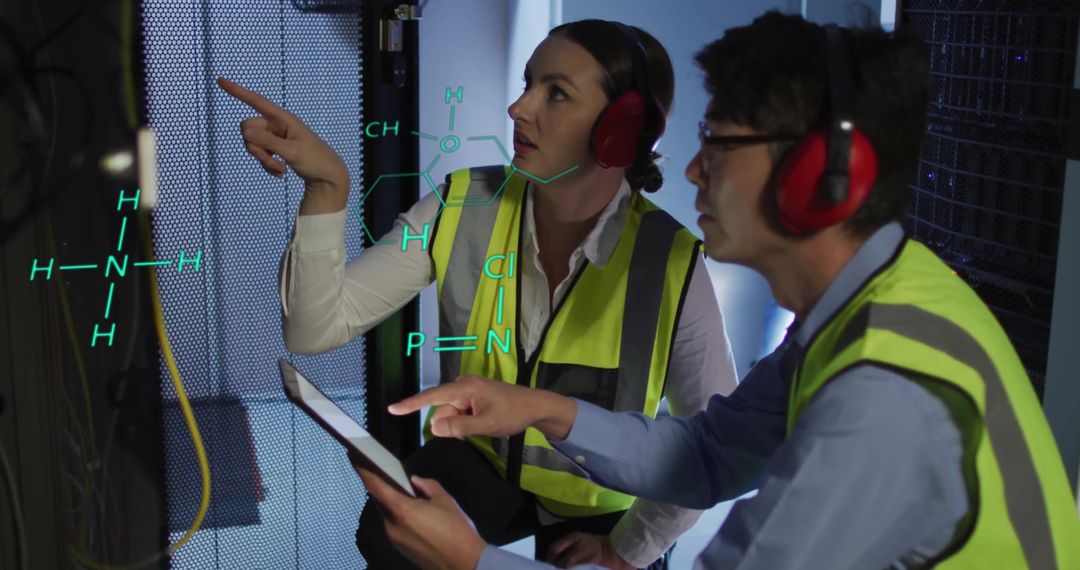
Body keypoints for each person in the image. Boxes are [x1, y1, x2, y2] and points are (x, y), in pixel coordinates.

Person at [353, 11, 1080, 570]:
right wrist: (540, 408)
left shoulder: (879, 392)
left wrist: (471, 562)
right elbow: (704, 455)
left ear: (821, 174)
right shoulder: (872, 305)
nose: (694, 171)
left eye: (721, 144)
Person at [218, 18, 739, 570]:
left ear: (621, 129)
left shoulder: (669, 261)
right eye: (528, 83)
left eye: (556, 93)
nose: (519, 108)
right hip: (484, 460)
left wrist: (627, 550)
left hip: (601, 493)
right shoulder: (461, 204)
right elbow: (312, 328)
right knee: (388, 533)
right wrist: (328, 188)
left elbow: (717, 446)